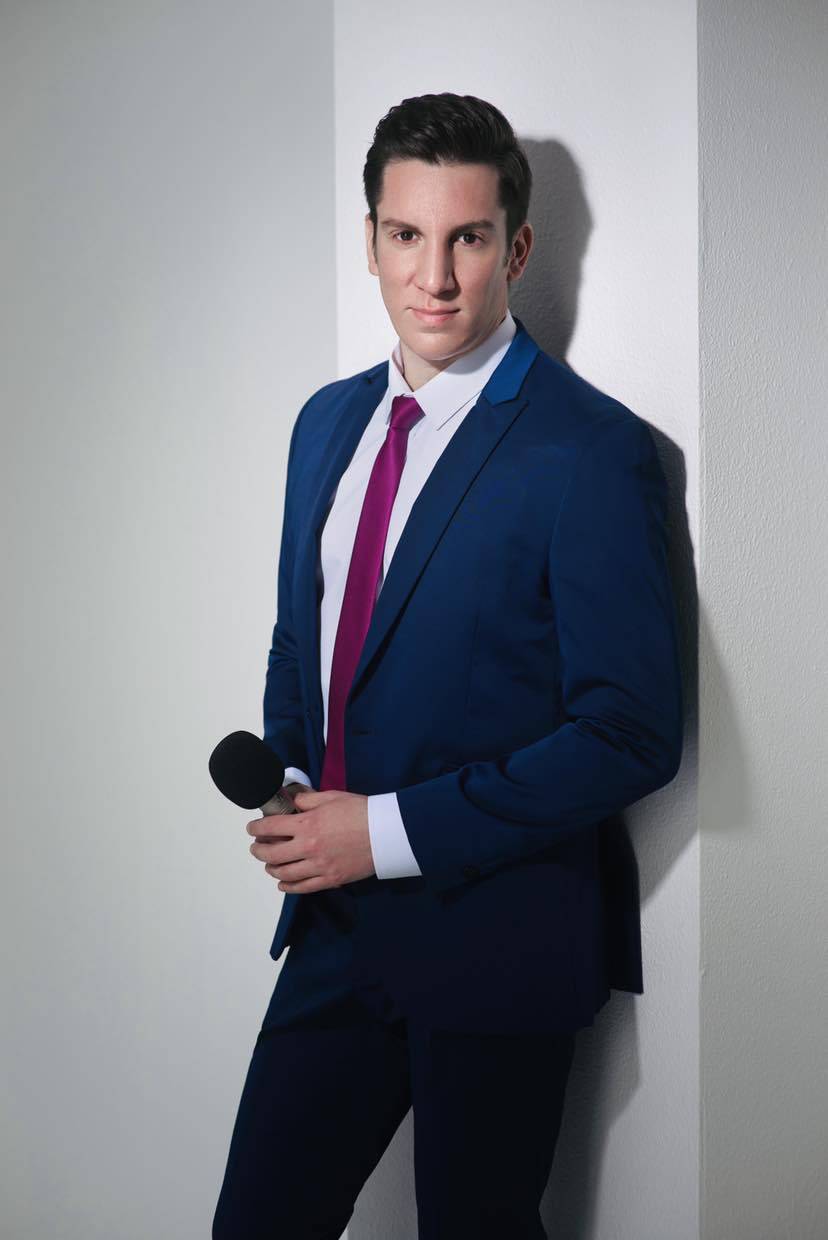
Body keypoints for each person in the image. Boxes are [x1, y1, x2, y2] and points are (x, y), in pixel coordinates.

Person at [212, 92, 683, 1240]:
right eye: (407, 235)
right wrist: (293, 779)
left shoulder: (590, 450)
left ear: (516, 249)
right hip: (335, 931)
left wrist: (378, 832)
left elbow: (629, 730)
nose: (434, 277)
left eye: (467, 238)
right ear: (371, 241)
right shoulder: (325, 425)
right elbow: (303, 635)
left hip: (500, 937)